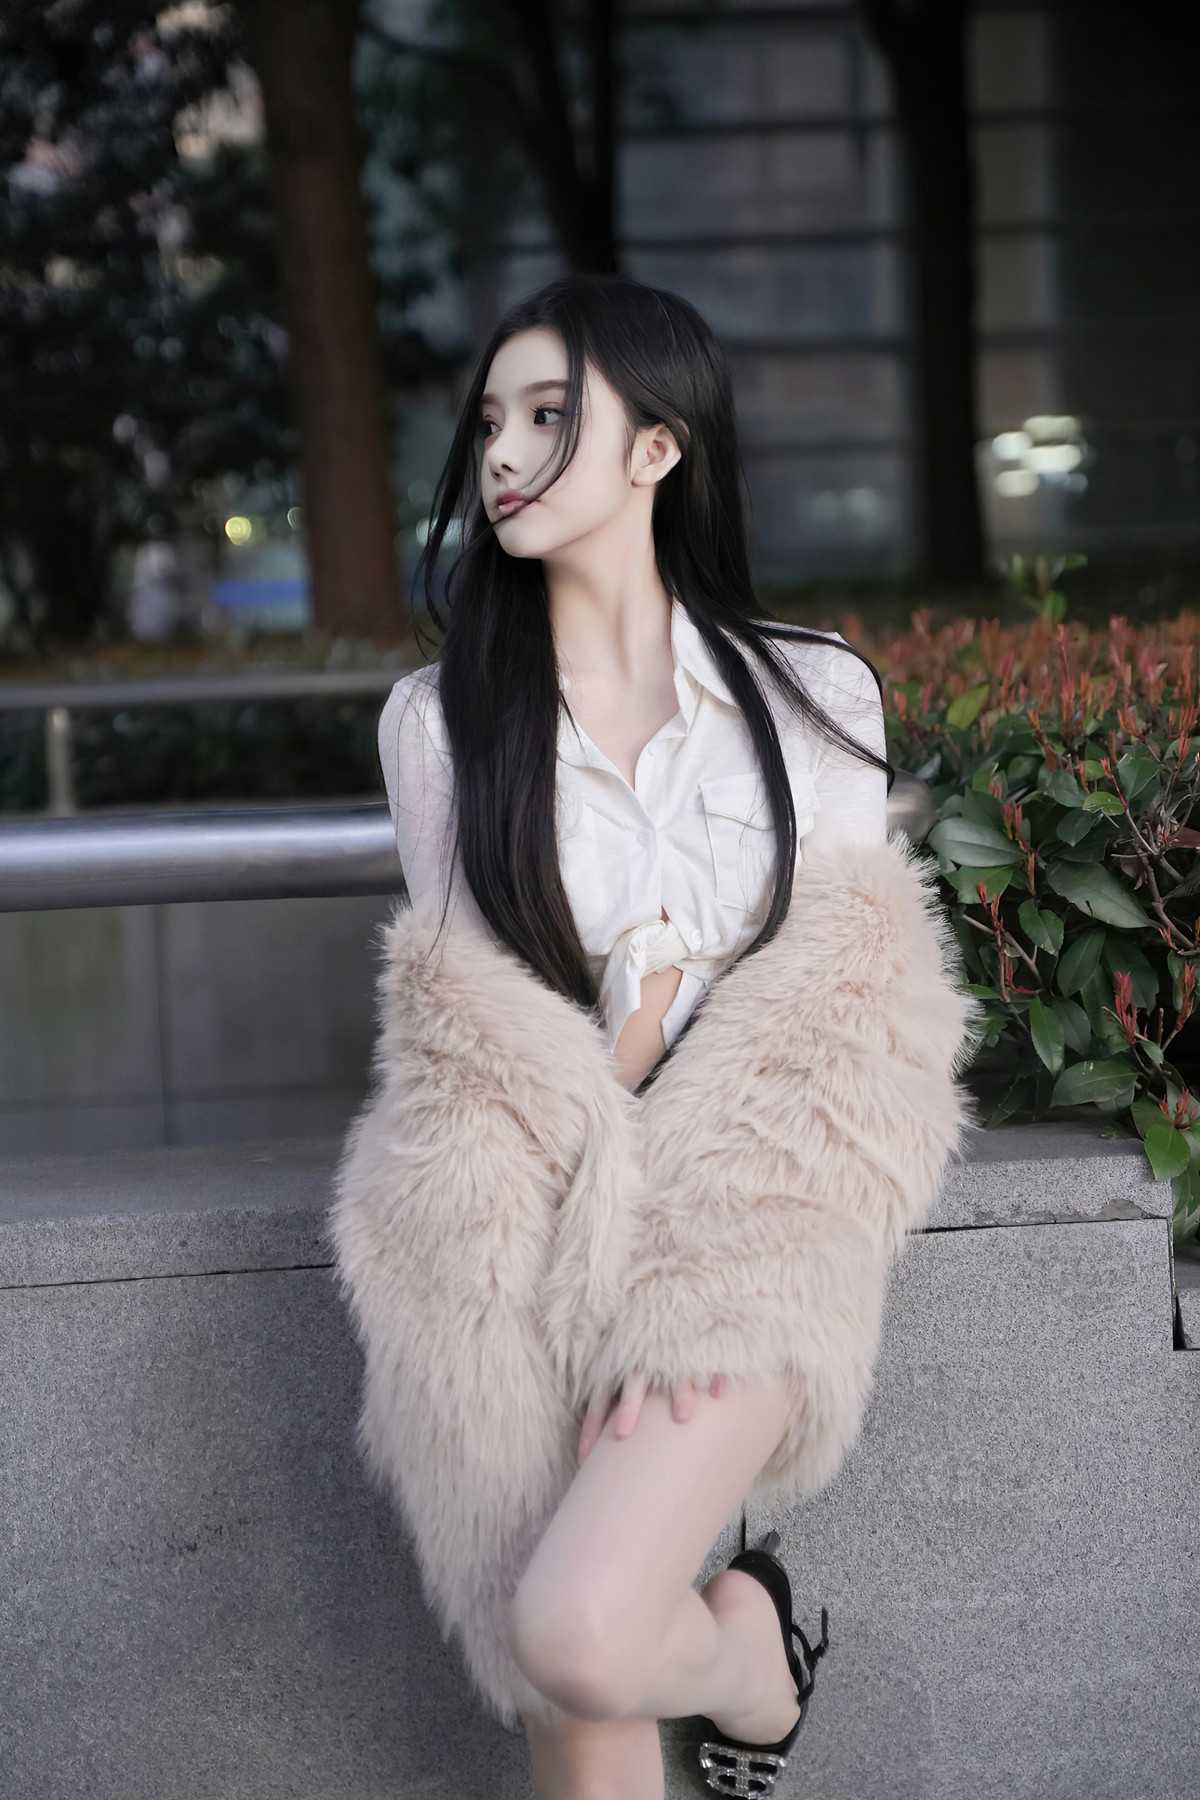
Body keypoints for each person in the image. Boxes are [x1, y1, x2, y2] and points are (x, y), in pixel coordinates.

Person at [350, 272, 970, 1798]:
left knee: (576, 1626)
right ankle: (737, 1652)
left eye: (549, 417)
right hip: (524, 1234)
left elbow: (848, 1021)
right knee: (566, 1692)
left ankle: (752, 1663)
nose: (503, 454)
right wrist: (611, 1082)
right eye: (491, 422)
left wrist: (682, 1258)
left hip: (749, 1227)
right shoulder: (442, 725)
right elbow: (473, 1043)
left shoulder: (813, 696)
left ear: (658, 448)